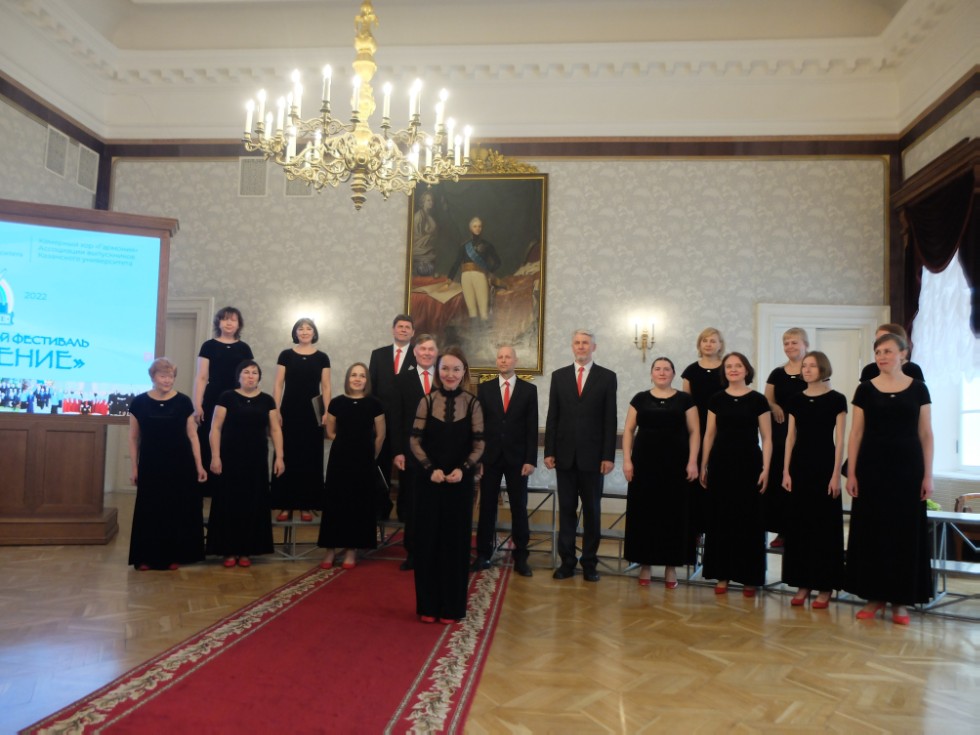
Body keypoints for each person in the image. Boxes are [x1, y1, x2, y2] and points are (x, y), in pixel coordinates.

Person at [845, 332, 933, 624]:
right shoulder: (865, 389)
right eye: (878, 352)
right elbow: (856, 433)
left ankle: (900, 601)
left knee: (903, 533)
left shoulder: (919, 389)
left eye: (888, 351)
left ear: (903, 353)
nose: (882, 356)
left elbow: (926, 434)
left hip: (908, 470)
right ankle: (874, 597)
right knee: (873, 531)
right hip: (872, 469)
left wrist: (928, 475)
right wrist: (852, 472)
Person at [409, 347, 485, 623]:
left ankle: (452, 608)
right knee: (428, 543)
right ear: (437, 371)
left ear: (464, 372)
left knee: (455, 546)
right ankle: (428, 606)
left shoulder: (473, 403)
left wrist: (463, 470)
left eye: (455, 369)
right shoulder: (426, 402)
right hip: (430, 482)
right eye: (445, 368)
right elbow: (415, 441)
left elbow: (479, 444)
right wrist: (430, 469)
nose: (450, 374)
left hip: (459, 485)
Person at [544, 329, 618, 582]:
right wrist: (549, 451)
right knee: (566, 510)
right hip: (564, 456)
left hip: (594, 458)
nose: (581, 346)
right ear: (572, 346)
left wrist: (608, 456)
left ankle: (589, 563)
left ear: (593, 347)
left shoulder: (607, 377)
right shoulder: (559, 376)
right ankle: (567, 562)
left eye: (586, 343)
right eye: (577, 342)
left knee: (592, 512)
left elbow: (610, 419)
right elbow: (552, 416)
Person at [622, 357, 699, 588]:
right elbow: (628, 430)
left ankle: (671, 568)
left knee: (673, 515)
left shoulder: (685, 400)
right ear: (651, 373)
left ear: (673, 373)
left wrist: (693, 461)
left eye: (667, 369)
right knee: (644, 514)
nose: (662, 372)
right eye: (658, 369)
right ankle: (644, 564)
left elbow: (695, 432)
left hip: (676, 467)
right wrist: (627, 460)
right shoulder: (639, 398)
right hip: (644, 466)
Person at [700, 352, 772, 596]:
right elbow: (709, 434)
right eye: (729, 366)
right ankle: (723, 575)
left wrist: (767, 468)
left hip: (749, 464)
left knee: (748, 520)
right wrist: (703, 464)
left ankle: (749, 577)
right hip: (721, 464)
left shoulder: (758, 400)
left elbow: (767, 438)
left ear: (746, 370)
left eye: (738, 365)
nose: (733, 369)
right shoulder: (716, 399)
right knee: (721, 519)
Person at [781, 351, 847, 608]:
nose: (806, 370)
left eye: (812, 366)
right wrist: (786, 471)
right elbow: (790, 437)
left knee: (824, 527)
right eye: (804, 366)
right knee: (800, 526)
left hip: (824, 466)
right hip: (799, 467)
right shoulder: (796, 400)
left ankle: (824, 586)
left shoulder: (837, 399)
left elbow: (840, 440)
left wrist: (835, 474)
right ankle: (803, 583)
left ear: (823, 369)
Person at [127, 357, 207, 571]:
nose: (167, 380)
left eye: (171, 376)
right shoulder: (139, 402)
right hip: (151, 464)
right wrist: (134, 467)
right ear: (153, 377)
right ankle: (145, 557)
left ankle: (173, 555)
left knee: (174, 510)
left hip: (180, 464)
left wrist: (199, 465)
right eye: (163, 376)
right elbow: (133, 438)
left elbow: (192, 436)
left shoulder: (183, 401)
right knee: (150, 509)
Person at [206, 359, 283, 568]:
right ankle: (228, 550)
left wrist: (280, 457)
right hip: (230, 459)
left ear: (259, 377)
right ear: (239, 376)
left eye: (254, 372)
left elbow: (275, 429)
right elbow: (215, 428)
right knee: (229, 503)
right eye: (246, 372)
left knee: (253, 503)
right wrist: (215, 456)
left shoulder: (267, 400)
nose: (250, 376)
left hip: (256, 461)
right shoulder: (227, 397)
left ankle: (247, 550)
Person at [473, 344, 538, 577]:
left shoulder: (529, 390)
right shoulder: (485, 389)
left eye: (507, 357)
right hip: (489, 458)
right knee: (487, 507)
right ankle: (483, 554)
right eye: (500, 357)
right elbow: (478, 426)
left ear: (515, 361)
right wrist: (478, 458)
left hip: (518, 459)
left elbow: (532, 427)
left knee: (519, 507)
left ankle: (521, 556)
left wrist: (530, 459)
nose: (503, 360)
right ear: (496, 361)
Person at [318, 363, 385, 570]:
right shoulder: (336, 403)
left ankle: (351, 550)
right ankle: (330, 549)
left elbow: (380, 435)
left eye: (362, 376)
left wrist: (370, 455)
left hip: (363, 461)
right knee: (334, 503)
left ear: (367, 380)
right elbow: (330, 432)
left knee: (357, 504)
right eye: (354, 375)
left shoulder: (375, 404)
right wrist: (347, 444)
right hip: (340, 460)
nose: (357, 379)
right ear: (348, 378)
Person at [270, 317, 331, 523]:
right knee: (287, 454)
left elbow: (326, 387)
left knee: (309, 456)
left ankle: (306, 504)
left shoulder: (322, 357)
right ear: (295, 333)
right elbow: (278, 384)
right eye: (300, 328)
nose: (304, 331)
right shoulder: (286, 355)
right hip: (289, 411)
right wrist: (276, 409)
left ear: (314, 333)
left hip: (312, 413)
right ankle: (285, 505)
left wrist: (327, 411)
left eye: (308, 328)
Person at [390, 334, 439, 570]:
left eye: (431, 349)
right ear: (415, 352)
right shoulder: (402, 380)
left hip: (440, 455)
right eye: (423, 349)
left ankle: (436, 551)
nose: (427, 353)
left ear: (436, 353)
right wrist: (398, 451)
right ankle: (412, 552)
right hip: (410, 454)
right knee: (412, 504)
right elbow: (396, 418)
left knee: (437, 504)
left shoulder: (445, 378)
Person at [193, 306, 253, 490]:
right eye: (225, 319)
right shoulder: (208, 346)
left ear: (239, 324)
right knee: (208, 437)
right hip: (212, 397)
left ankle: (232, 484)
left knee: (234, 438)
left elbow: (249, 377)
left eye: (233, 320)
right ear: (218, 322)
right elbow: (201, 377)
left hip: (237, 399)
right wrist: (197, 404)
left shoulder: (244, 348)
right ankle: (207, 485)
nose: (229, 323)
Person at [764, 327, 808, 548]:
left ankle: (801, 529)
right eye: (786, 343)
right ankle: (782, 530)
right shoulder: (777, 374)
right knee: (780, 478)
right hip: (780, 433)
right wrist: (774, 406)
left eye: (794, 342)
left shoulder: (812, 370)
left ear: (805, 345)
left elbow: (825, 396)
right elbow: (766, 400)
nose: (790, 346)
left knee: (801, 479)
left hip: (804, 433)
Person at [681, 327, 726, 540]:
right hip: (697, 429)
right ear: (699, 344)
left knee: (717, 477)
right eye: (705, 340)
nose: (708, 344)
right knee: (695, 478)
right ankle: (696, 528)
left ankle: (716, 527)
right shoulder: (691, 371)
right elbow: (686, 403)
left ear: (720, 345)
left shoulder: (728, 368)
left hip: (723, 429)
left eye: (713, 340)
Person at [368, 314, 417, 495]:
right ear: (393, 330)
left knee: (407, 466)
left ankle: (406, 506)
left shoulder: (419, 355)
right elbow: (371, 387)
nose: (403, 330)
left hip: (407, 423)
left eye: (407, 327)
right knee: (381, 464)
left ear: (413, 332)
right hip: (382, 420)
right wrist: (372, 418)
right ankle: (382, 504)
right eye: (400, 326)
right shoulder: (378, 354)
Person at [446, 217, 501, 323]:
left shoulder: (487, 245)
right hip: (465, 277)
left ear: (482, 228)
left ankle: (485, 332)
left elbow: (498, 262)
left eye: (479, 226)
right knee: (471, 310)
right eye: (475, 226)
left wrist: (489, 272)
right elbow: (457, 263)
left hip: (480, 276)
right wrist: (449, 279)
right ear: (470, 228)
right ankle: (474, 332)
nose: (477, 228)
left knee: (483, 310)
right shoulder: (464, 246)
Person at [859, 323, 925, 382]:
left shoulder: (913, 370)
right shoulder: (869, 370)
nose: (879, 343)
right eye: (877, 340)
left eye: (885, 339)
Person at [412, 190, 439, 276]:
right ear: (423, 202)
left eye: (432, 200)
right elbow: (416, 236)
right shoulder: (418, 217)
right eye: (428, 200)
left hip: (429, 249)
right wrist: (428, 237)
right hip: (420, 251)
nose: (431, 202)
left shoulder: (429, 216)